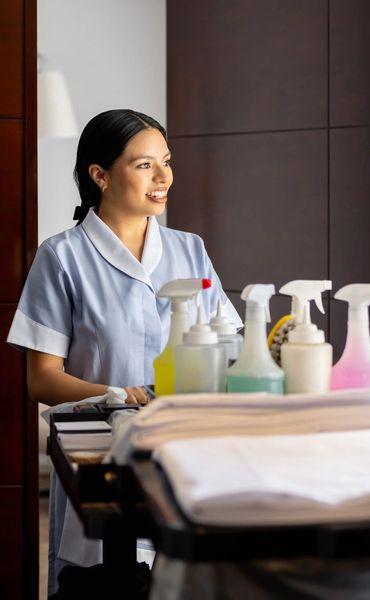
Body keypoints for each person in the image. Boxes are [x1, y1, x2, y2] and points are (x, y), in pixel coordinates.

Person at [6, 109, 241, 596]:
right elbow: (41, 380)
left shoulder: (190, 250)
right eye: (143, 165)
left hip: (188, 462)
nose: (164, 178)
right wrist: (120, 396)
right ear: (100, 175)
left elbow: (229, 347)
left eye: (167, 162)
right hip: (104, 465)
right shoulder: (62, 257)